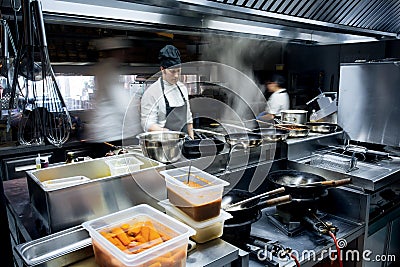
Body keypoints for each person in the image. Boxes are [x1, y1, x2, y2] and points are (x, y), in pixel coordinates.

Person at [85, 37, 132, 144]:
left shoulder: (103, 68)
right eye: (122, 51)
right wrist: (135, 125)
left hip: (103, 131)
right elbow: (121, 102)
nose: (124, 55)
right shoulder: (109, 70)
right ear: (116, 52)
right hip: (109, 133)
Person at [140, 45, 194, 139]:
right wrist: (170, 134)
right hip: (164, 144)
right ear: (162, 69)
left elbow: (188, 119)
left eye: (179, 71)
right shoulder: (152, 92)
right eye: (173, 72)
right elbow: (147, 124)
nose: (176, 76)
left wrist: (192, 139)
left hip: (184, 144)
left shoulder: (182, 88)